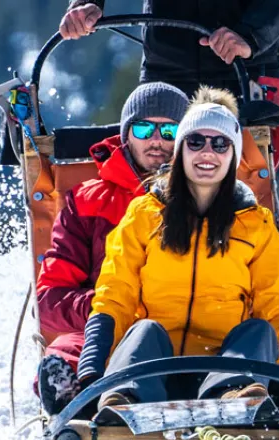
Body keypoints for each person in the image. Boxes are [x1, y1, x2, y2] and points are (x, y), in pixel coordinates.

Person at [74, 87, 279, 440]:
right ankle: (122, 401)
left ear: (234, 155)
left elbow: (276, 302)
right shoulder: (145, 213)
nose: (208, 153)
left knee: (257, 329)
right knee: (143, 330)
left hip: (227, 369)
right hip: (153, 368)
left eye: (220, 144)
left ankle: (237, 401)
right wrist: (92, 366)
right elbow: (115, 292)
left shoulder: (255, 225)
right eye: (196, 142)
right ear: (180, 152)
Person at [58, 0, 279, 258]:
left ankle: (274, 277)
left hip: (248, 58)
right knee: (149, 167)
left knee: (256, 170)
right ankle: (140, 270)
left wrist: (253, 33)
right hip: (168, 57)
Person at [35, 81, 189, 415]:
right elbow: (49, 300)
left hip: (192, 327)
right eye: (144, 127)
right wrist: (110, 308)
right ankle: (76, 398)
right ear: (126, 134)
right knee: (66, 351)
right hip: (108, 333)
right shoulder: (88, 202)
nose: (156, 140)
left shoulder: (212, 195)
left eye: (170, 130)